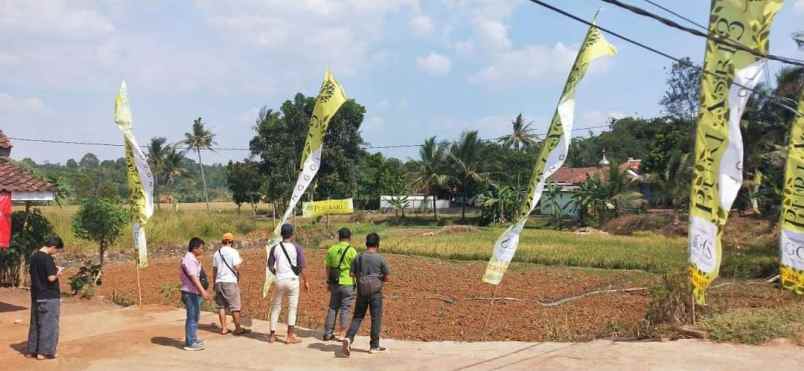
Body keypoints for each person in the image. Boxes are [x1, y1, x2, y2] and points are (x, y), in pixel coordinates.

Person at [342, 232, 390, 356]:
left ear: (366, 243)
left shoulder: (358, 257)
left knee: (357, 317)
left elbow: (351, 274)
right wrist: (379, 278)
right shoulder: (380, 258)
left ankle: (348, 338)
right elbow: (387, 277)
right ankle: (374, 346)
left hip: (361, 292)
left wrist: (361, 276)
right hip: (376, 293)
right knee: (376, 318)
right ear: (378, 244)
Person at [267, 223, 309, 344]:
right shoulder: (297, 248)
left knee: (276, 307)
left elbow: (270, 266)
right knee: (292, 308)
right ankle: (289, 336)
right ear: (292, 234)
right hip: (293, 281)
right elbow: (302, 267)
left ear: (281, 234)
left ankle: (272, 335)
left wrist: (277, 273)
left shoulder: (275, 248)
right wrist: (306, 281)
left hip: (279, 280)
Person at [26, 235, 64, 360]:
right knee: (49, 324)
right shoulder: (47, 258)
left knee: (36, 323)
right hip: (49, 295)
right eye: (56, 250)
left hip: (36, 295)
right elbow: (51, 278)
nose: (56, 252)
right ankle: (44, 352)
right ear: (53, 247)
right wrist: (58, 272)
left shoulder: (34, 256)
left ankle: (32, 350)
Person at [322, 227, 358, 341]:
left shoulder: (332, 249)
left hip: (334, 282)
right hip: (348, 283)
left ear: (339, 237)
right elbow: (356, 269)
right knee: (345, 309)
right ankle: (342, 334)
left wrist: (328, 281)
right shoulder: (352, 251)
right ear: (349, 237)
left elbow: (327, 267)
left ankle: (328, 333)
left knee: (333, 307)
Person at [212, 232, 248, 336]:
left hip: (219, 282)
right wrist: (240, 262)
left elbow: (214, 270)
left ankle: (224, 328)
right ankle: (238, 328)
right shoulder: (233, 252)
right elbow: (236, 267)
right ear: (231, 242)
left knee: (221, 306)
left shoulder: (217, 253)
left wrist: (214, 282)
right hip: (230, 281)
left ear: (223, 241)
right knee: (235, 306)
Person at [180, 237, 211, 351]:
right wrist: (203, 291)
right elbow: (194, 278)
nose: (202, 250)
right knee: (192, 317)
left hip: (192, 292)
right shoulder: (189, 260)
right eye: (201, 248)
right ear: (195, 248)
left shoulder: (192, 259)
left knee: (194, 316)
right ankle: (190, 343)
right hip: (190, 292)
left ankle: (192, 338)